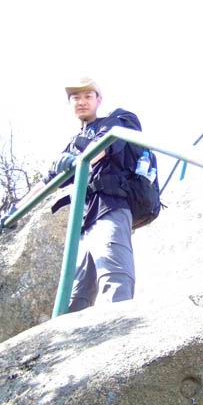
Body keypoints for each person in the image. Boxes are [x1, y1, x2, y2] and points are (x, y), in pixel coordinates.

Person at [25, 77, 141, 313]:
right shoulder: (73, 145)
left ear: (99, 100)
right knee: (77, 292)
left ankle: (120, 328)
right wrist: (15, 210)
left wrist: (77, 161)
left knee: (114, 275)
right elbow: (48, 181)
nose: (82, 101)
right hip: (85, 218)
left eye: (88, 96)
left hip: (110, 207)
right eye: (76, 97)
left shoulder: (115, 121)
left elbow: (101, 149)